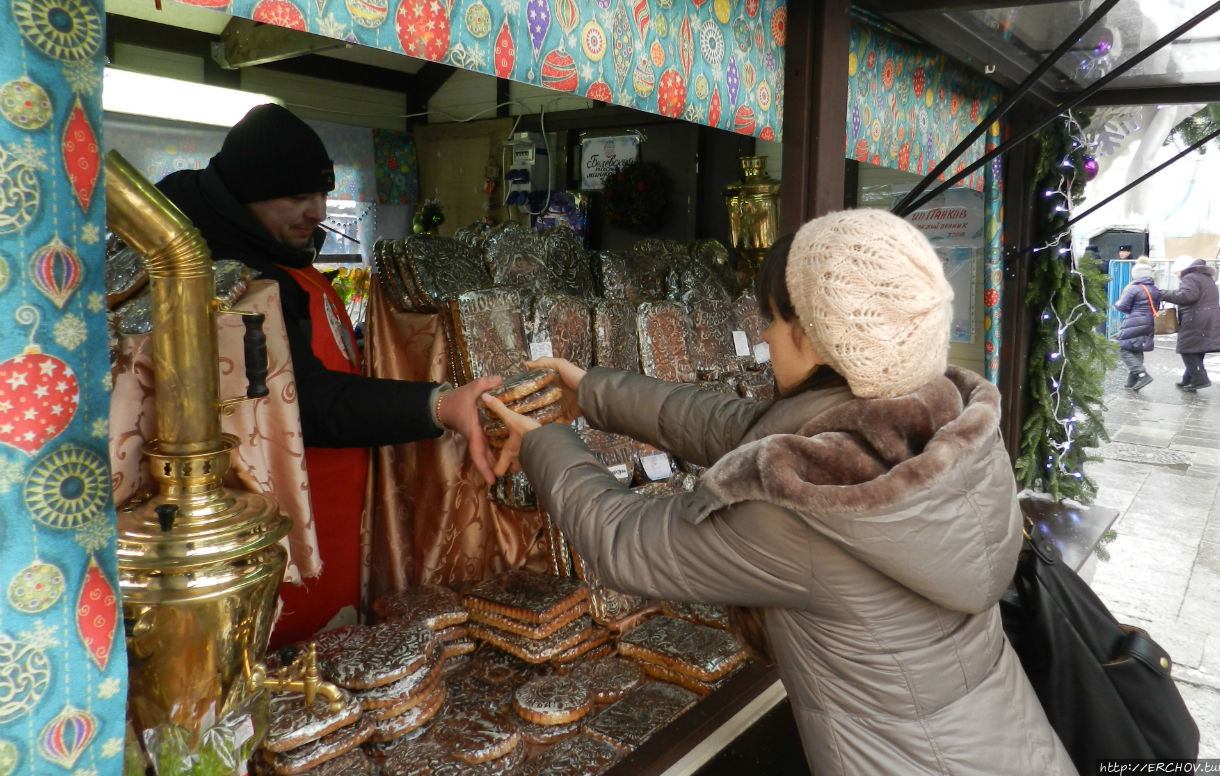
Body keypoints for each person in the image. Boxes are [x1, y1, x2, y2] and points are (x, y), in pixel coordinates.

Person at [483, 208, 1074, 775]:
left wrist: (546, 442)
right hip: (1010, 739)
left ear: (816, 337)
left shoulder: (802, 508)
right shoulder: (941, 417)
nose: (762, 335)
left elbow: (623, 544)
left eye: (770, 318)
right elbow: (740, 429)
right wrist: (593, 392)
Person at [157, 104, 500, 644]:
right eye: (296, 197)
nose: (317, 211)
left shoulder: (278, 251)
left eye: (321, 194)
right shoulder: (229, 280)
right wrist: (437, 404)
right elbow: (306, 404)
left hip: (335, 510)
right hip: (278, 526)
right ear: (244, 193)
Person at [1160, 254, 1220, 390]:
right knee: (1196, 349)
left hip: (1196, 318)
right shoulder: (1204, 276)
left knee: (1187, 349)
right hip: (1207, 316)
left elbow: (1187, 296)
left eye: (1177, 272)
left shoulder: (1190, 277)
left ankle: (1200, 380)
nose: (1177, 275)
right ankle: (1189, 379)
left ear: (1183, 269)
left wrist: (1164, 294)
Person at [1113, 255, 1158, 390]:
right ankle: (1131, 381)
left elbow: (1123, 307)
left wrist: (1118, 303)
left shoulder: (1134, 288)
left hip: (1135, 320)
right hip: (1149, 321)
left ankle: (1142, 375)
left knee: (1124, 349)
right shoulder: (1154, 289)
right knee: (1137, 348)